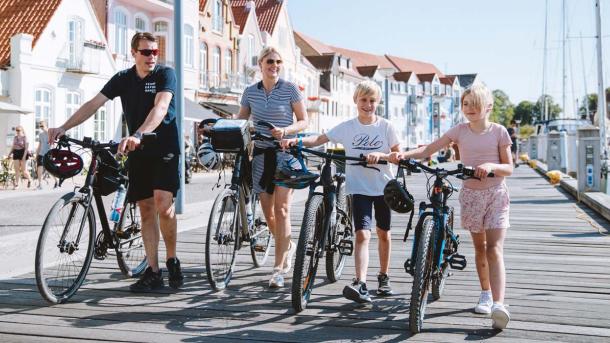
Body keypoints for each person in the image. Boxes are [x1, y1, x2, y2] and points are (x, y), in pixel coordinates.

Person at [48, 32, 184, 292]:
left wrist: (137, 134)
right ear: (134, 53)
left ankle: (172, 259)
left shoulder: (165, 75)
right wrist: (64, 127)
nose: (151, 56)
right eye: (146, 52)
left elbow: (161, 108)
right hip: (137, 150)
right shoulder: (123, 78)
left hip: (163, 146)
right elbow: (93, 104)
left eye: (155, 52)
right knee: (145, 209)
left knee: (163, 204)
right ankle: (153, 271)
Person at [390, 83, 513, 329]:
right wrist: (405, 155)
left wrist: (490, 166)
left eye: (475, 104)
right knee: (480, 248)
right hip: (471, 195)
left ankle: (499, 305)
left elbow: (509, 167)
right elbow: (429, 149)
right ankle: (485, 293)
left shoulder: (499, 132)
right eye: (466, 104)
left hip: (496, 194)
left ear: (488, 107)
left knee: (494, 250)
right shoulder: (459, 131)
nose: (470, 108)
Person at [282, 80, 400, 303]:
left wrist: (381, 156)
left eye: (372, 100)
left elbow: (397, 154)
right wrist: (295, 141)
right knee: (362, 234)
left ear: (378, 102)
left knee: (383, 233)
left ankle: (383, 276)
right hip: (360, 189)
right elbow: (320, 139)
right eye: (363, 100)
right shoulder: (348, 127)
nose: (367, 104)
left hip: (384, 188)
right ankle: (361, 282)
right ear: (356, 101)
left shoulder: (386, 127)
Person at [237, 46, 308, 288]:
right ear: (261, 64)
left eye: (278, 61)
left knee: (282, 211)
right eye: (270, 61)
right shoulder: (250, 92)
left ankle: (279, 268)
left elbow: (304, 120)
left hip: (286, 153)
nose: (274, 65)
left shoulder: (290, 89)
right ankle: (286, 244)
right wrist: (220, 128)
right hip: (260, 155)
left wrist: (286, 131)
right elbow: (241, 120)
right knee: (267, 212)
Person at [35, 120, 57, 189]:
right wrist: (37, 153)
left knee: (50, 169)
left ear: (46, 125)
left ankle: (57, 181)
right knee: (39, 168)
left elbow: (54, 143)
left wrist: (53, 153)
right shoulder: (41, 134)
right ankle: (40, 184)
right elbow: (40, 144)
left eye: (42, 126)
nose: (41, 127)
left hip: (48, 153)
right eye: (40, 126)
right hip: (41, 153)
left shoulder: (50, 133)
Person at [10, 125, 33, 190]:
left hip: (23, 153)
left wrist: (23, 156)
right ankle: (16, 184)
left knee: (24, 171)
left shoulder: (25, 137)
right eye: (16, 130)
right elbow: (13, 147)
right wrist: (9, 154)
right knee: (16, 170)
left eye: (18, 130)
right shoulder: (15, 137)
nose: (17, 131)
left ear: (22, 130)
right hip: (16, 153)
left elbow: (26, 148)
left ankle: (29, 179)